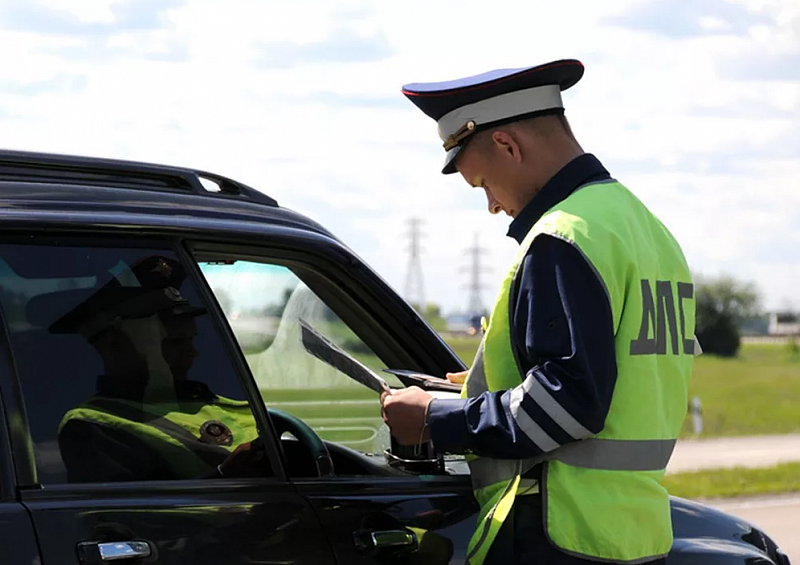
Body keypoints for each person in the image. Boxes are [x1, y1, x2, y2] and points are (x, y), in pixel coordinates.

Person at [380, 59, 699, 565]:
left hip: (560, 531)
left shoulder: (563, 236)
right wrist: (484, 388)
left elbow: (565, 404)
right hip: (634, 532)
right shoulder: (645, 229)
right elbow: (617, 380)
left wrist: (434, 418)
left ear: (508, 144)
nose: (491, 205)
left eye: (482, 183)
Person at [55, 255, 269, 482]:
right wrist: (226, 476)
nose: (192, 354)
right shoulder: (92, 423)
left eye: (191, 340)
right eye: (173, 342)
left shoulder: (214, 400)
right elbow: (131, 514)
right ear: (114, 346)